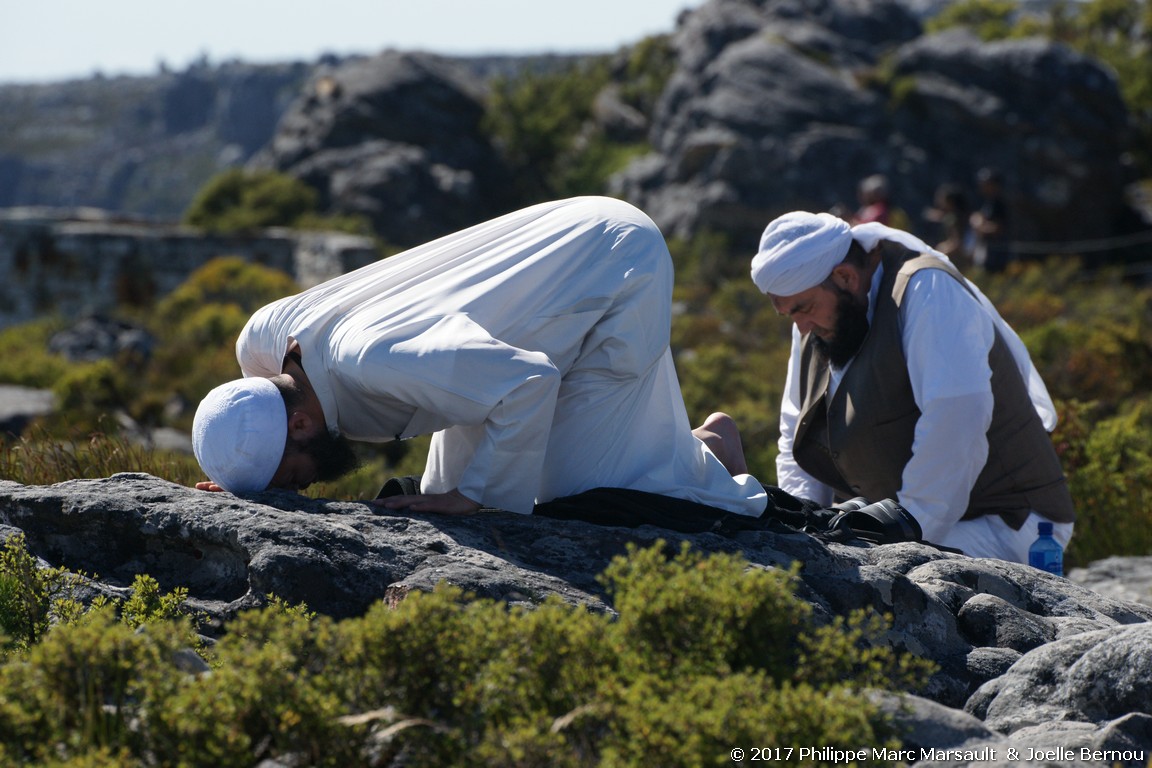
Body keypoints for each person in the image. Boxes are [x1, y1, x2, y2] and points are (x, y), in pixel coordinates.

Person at [191, 196, 767, 518]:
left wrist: (472, 498)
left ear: (300, 423)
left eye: (293, 477)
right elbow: (249, 408)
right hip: (520, 300)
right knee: (455, 480)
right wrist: (237, 467)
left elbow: (529, 384)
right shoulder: (261, 343)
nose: (302, 489)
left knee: (584, 499)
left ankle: (715, 447)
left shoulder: (380, 360)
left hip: (610, 263)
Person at [748, 211, 1074, 563]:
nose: (802, 328)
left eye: (805, 309)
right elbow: (794, 428)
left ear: (845, 277)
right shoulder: (817, 318)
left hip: (1006, 524)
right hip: (905, 523)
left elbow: (956, 423)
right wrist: (804, 520)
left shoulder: (927, 289)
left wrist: (908, 529)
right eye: (791, 316)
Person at [970, 167, 1011, 273]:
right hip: (987, 252)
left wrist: (980, 227)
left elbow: (998, 228)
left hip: (998, 254)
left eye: (986, 183)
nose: (983, 186)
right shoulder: (988, 202)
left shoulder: (1000, 203)